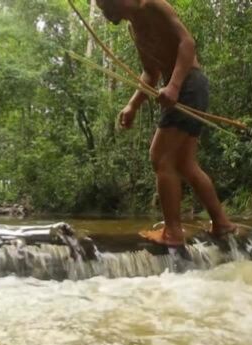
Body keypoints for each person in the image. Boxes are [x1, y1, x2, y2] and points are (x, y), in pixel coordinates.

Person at [95, 0, 239, 247]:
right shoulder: (134, 28)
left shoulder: (152, 5)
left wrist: (173, 85)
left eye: (103, 5)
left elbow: (188, 43)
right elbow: (151, 72)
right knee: (185, 163)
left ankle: (173, 232)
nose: (103, 11)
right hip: (187, 88)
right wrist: (133, 105)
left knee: (160, 157)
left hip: (189, 85)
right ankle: (222, 224)